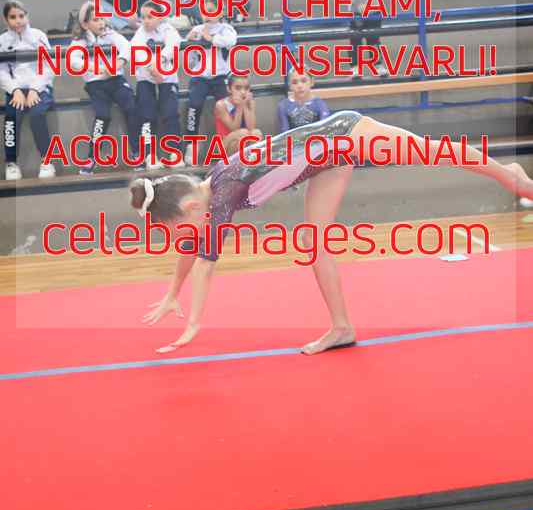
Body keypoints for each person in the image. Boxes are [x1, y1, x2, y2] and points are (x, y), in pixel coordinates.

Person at [130, 103, 533, 355]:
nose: (184, 234)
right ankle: (342, 327)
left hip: (346, 134)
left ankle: (508, 173)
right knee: (314, 241)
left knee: (433, 153)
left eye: (178, 227)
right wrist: (172, 293)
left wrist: (194, 322)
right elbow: (196, 248)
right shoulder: (211, 188)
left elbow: (204, 263)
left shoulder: (221, 195)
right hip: (325, 161)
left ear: (190, 207)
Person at [68, 1, 140, 174]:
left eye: (102, 18)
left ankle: (137, 153)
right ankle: (92, 158)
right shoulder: (80, 40)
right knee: (102, 115)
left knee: (132, 108)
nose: (101, 23)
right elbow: (73, 60)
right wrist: (97, 68)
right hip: (96, 84)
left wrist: (119, 62)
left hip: (116, 80)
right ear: (85, 24)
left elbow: (127, 47)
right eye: (95, 20)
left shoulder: (111, 34)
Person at [0, 1, 56, 181]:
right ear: (5, 20)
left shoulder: (38, 36)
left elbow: (48, 66)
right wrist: (15, 90)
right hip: (16, 91)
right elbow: (2, 71)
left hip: (40, 88)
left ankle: (47, 161)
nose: (18, 20)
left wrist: (35, 89)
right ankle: (11, 163)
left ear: (27, 16)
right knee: (11, 116)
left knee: (37, 114)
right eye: (13, 17)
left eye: (21, 16)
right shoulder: (2, 40)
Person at [184, 0, 237, 164]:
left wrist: (211, 38)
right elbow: (190, 59)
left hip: (220, 76)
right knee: (194, 105)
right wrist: (188, 42)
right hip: (200, 76)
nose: (208, 14)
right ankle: (191, 144)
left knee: (227, 107)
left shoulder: (226, 29)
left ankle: (229, 144)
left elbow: (231, 42)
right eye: (205, 11)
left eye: (212, 10)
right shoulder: (196, 30)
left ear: (220, 12)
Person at [130, 1, 183, 170]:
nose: (146, 21)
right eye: (143, 17)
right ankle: (149, 155)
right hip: (146, 79)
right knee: (147, 116)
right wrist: (152, 68)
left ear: (160, 17)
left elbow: (173, 45)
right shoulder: (139, 34)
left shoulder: (169, 30)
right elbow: (136, 51)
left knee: (171, 114)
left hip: (167, 78)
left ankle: (175, 153)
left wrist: (158, 63)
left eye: (150, 17)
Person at [214, 74, 262, 155]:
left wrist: (245, 105)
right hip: (224, 144)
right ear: (229, 89)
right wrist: (239, 107)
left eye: (246, 88)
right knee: (243, 133)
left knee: (256, 133)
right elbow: (234, 128)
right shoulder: (221, 105)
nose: (243, 92)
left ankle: (250, 159)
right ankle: (235, 160)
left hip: (243, 137)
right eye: (238, 88)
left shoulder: (249, 102)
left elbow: (251, 127)